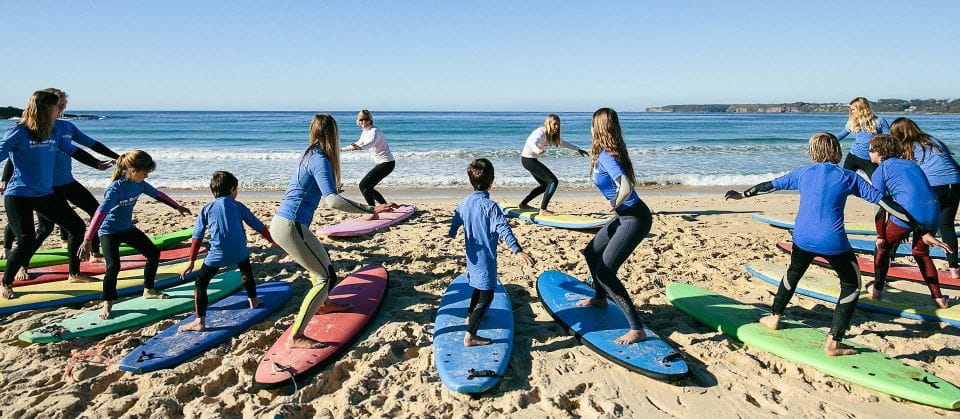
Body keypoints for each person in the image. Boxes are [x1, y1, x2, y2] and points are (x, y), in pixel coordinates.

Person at [725, 133, 949, 356]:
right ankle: (834, 342)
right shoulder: (849, 177)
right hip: (832, 242)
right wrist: (919, 228)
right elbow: (886, 204)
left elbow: (769, 186)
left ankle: (774, 318)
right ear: (837, 151)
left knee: (793, 273)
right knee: (851, 286)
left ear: (813, 152)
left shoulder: (803, 173)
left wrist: (742, 195)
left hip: (802, 237)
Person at [271, 114, 395, 349]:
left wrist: (332, 189)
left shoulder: (309, 154)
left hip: (285, 223)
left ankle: (325, 304)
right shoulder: (320, 159)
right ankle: (296, 337)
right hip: (291, 226)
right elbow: (333, 202)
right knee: (325, 277)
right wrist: (371, 209)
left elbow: (313, 188)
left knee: (320, 264)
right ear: (332, 133)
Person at [0, 90, 111, 299]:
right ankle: (6, 282)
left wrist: (97, 164)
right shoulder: (19, 132)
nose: (59, 111)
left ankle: (74, 273)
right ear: (43, 110)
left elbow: (73, 150)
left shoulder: (52, 132)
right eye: (56, 107)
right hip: (19, 195)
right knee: (26, 240)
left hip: (44, 193)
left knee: (76, 226)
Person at [80, 150, 192, 319]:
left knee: (153, 253)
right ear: (132, 170)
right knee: (113, 266)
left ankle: (148, 289)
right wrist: (88, 239)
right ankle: (107, 303)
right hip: (109, 231)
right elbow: (100, 213)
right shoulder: (115, 189)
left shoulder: (139, 184)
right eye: (145, 173)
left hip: (127, 228)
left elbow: (158, 194)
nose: (146, 176)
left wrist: (177, 207)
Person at [574, 108, 651, 345]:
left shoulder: (607, 155)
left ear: (598, 127)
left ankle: (636, 328)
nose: (588, 128)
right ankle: (599, 298)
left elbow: (625, 186)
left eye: (591, 124)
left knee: (606, 272)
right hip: (623, 217)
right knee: (591, 252)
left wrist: (614, 202)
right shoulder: (603, 154)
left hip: (634, 218)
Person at [449, 158, 535, 346]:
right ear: (492, 181)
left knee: (478, 289)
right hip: (485, 260)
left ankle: (471, 316)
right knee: (487, 296)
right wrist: (517, 250)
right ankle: (470, 335)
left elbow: (456, 217)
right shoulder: (491, 207)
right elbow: (504, 229)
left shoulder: (464, 203)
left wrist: (452, 232)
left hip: (471, 257)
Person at [179, 171, 275, 332]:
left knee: (201, 284)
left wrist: (191, 261)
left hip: (216, 256)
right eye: (236, 189)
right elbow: (258, 226)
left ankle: (200, 322)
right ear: (232, 190)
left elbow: (197, 237)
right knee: (246, 270)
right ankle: (253, 300)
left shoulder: (206, 209)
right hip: (240, 252)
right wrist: (272, 241)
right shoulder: (238, 206)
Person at [868, 134, 950, 308]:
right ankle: (939, 298)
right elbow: (911, 191)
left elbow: (880, 207)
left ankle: (876, 289)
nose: (869, 154)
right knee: (921, 254)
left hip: (909, 213)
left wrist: (880, 235)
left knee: (883, 249)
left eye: (870, 150)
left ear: (879, 152)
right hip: (933, 210)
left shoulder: (880, 171)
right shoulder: (912, 164)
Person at [891, 117, 960, 279]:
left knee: (905, 218)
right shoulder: (932, 140)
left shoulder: (906, 146)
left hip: (935, 186)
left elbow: (904, 173)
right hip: (955, 183)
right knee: (947, 225)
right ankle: (954, 269)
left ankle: (888, 257)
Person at [518, 114, 588, 216]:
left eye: (558, 125)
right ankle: (543, 210)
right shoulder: (540, 132)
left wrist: (577, 149)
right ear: (548, 123)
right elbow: (531, 142)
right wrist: (538, 150)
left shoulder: (551, 135)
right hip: (528, 160)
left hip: (529, 160)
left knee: (545, 185)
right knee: (553, 181)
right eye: (554, 124)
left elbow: (563, 143)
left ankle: (523, 204)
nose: (557, 127)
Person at [340, 110, 395, 215]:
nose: (364, 121)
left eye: (366, 119)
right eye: (361, 119)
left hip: (387, 163)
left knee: (363, 186)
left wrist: (361, 148)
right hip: (384, 164)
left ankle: (373, 212)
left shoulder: (374, 131)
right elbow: (358, 143)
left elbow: (371, 143)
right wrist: (341, 150)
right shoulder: (365, 132)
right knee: (368, 187)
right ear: (358, 121)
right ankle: (386, 206)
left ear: (370, 120)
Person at [837, 97, 890, 178]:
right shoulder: (852, 122)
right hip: (853, 156)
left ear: (861, 109)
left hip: (870, 159)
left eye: (853, 109)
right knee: (846, 181)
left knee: (876, 183)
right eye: (851, 110)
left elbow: (889, 139)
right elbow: (841, 135)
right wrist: (827, 139)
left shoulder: (879, 121)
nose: (851, 112)